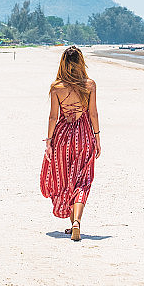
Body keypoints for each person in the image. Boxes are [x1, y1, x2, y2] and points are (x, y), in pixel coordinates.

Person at [40, 46, 101, 241]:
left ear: (64, 64)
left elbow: (52, 117)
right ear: (81, 62)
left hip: (63, 136)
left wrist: (49, 142)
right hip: (83, 135)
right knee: (83, 180)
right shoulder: (89, 85)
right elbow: (93, 114)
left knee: (66, 179)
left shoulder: (57, 87)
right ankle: (76, 222)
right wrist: (97, 138)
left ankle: (72, 221)